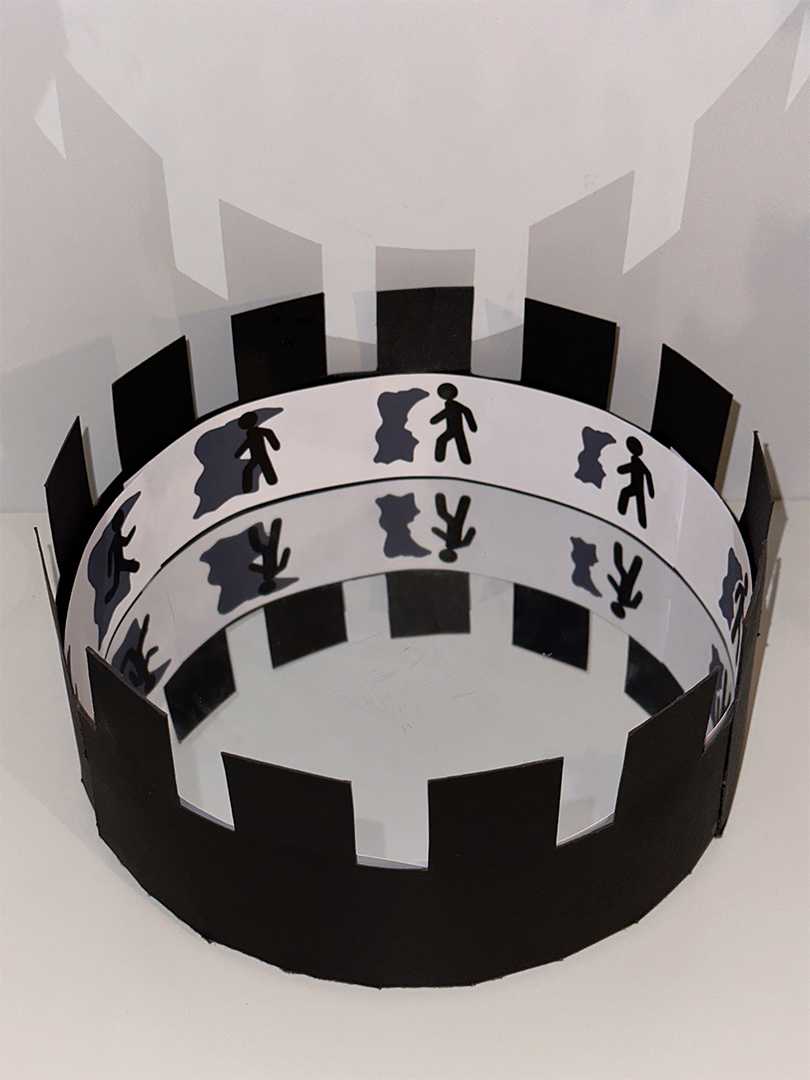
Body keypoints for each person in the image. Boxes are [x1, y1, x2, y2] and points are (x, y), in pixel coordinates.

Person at [430, 383, 477, 464]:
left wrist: (434, 420)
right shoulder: (454, 405)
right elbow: (466, 411)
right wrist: (472, 426)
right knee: (459, 442)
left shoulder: (453, 405)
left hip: (453, 429)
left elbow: (445, 413)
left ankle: (442, 458)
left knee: (443, 440)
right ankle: (465, 459)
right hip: (453, 429)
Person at [235, 411, 281, 491]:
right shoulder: (251, 434)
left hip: (260, 454)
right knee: (252, 469)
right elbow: (247, 443)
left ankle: (271, 482)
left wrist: (275, 445)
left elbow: (268, 433)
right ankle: (248, 489)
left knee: (262, 468)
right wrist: (238, 453)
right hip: (256, 456)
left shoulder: (257, 432)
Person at [617, 436, 655, 528]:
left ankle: (623, 513)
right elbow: (648, 473)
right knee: (638, 502)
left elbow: (647, 473)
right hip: (636, 486)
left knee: (629, 495)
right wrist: (650, 491)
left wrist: (651, 491)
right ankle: (624, 513)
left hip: (637, 486)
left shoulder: (637, 462)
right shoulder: (637, 461)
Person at [104, 507, 140, 603]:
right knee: (115, 584)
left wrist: (131, 533)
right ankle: (107, 598)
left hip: (117, 562)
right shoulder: (117, 536)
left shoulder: (117, 536)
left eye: (133, 563)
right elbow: (113, 550)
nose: (133, 560)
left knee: (115, 584)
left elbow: (124, 542)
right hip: (117, 561)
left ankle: (107, 598)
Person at [248, 519, 291, 594]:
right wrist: (286, 552)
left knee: (266, 543)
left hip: (269, 549)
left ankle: (273, 524)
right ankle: (273, 524)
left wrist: (286, 552)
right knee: (268, 542)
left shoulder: (272, 571)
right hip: (269, 549)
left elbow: (252, 567)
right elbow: (252, 567)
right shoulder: (271, 572)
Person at [122, 614, 160, 694]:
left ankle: (145, 625)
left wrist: (123, 669)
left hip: (134, 656)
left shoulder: (141, 679)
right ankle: (145, 625)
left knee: (141, 639)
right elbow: (148, 655)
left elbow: (130, 674)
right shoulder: (142, 677)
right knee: (141, 639)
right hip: (136, 656)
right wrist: (153, 651)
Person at [431, 493, 476, 562]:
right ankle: (440, 497)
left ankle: (464, 500)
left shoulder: (456, 545)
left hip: (456, 524)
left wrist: (471, 531)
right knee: (442, 513)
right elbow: (442, 535)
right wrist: (435, 531)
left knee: (453, 514)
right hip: (454, 524)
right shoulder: (452, 544)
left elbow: (467, 540)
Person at [607, 542, 643, 619]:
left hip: (626, 580)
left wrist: (611, 579)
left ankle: (618, 546)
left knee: (619, 565)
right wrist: (611, 579)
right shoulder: (626, 603)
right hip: (628, 581)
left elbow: (617, 588)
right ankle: (618, 546)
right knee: (619, 565)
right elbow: (635, 603)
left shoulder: (622, 601)